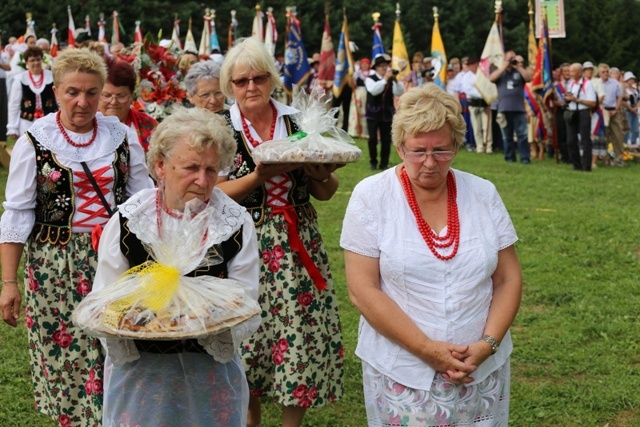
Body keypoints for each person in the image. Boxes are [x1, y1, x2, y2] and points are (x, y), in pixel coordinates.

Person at [340, 84, 522, 426]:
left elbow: (507, 278)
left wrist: (486, 345)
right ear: (398, 147)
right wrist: (427, 349)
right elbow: (362, 290)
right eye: (417, 151)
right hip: (404, 371)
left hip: (479, 370)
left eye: (441, 151)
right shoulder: (372, 196)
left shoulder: (483, 193)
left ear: (456, 146)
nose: (429, 163)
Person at [0, 48, 152, 425]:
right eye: (72, 92)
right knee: (64, 356)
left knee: (118, 353)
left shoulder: (122, 136)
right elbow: (17, 213)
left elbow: (142, 201)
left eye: (91, 92)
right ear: (55, 90)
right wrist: (8, 282)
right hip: (54, 266)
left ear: (102, 91)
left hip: (114, 260)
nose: (82, 102)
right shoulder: (34, 141)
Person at [92, 106, 261, 426]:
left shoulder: (234, 224)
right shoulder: (130, 221)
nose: (202, 179)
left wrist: (198, 315)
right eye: (191, 167)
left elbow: (245, 298)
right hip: (141, 375)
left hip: (208, 374)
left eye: (212, 170)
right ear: (160, 165)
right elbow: (106, 300)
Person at [216, 37, 344, 427]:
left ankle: (291, 424)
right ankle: (250, 418)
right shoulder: (221, 128)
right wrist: (258, 176)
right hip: (241, 242)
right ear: (230, 86)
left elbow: (325, 191)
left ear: (272, 79)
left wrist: (321, 175)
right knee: (244, 333)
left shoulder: (298, 121)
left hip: (295, 238)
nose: (251, 87)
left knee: (298, 330)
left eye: (258, 78)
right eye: (241, 81)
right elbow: (213, 193)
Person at [99, 57, 158, 152]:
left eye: (121, 96)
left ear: (131, 96)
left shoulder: (149, 126)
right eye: (107, 95)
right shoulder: (85, 124)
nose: (113, 102)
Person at [6, 46, 58, 140]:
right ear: (26, 62)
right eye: (32, 60)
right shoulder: (20, 79)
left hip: (50, 123)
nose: (36, 63)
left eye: (38, 59)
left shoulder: (51, 77)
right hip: (26, 123)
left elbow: (59, 101)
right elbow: (14, 104)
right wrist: (12, 127)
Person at [490, 51, 532, 163]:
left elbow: (528, 78)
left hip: (519, 109)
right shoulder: (501, 72)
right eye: (509, 59)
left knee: (522, 135)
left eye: (513, 58)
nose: (511, 61)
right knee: (506, 136)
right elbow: (491, 78)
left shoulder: (519, 71)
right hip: (504, 108)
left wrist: (518, 66)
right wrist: (504, 66)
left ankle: (525, 158)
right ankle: (509, 158)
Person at [365, 52, 404, 170]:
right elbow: (374, 91)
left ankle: (384, 163)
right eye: (381, 66)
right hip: (373, 113)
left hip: (386, 113)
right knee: (372, 139)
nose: (384, 68)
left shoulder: (390, 80)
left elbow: (399, 92)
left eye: (385, 66)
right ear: (376, 68)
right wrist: (385, 79)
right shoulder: (370, 79)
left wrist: (395, 80)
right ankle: (373, 161)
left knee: (386, 140)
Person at [564, 63, 597, 171]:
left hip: (583, 113)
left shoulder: (588, 84)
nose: (570, 73)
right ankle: (576, 164)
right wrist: (567, 98)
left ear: (579, 72)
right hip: (572, 113)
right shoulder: (571, 84)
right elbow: (570, 97)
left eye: (572, 71)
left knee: (585, 140)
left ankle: (586, 166)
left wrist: (577, 100)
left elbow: (593, 103)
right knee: (570, 140)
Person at [348, 58, 371, 139]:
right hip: (357, 93)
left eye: (366, 64)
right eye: (363, 64)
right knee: (355, 111)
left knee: (365, 111)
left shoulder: (371, 73)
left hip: (367, 94)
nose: (364, 65)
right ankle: (354, 131)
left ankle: (364, 132)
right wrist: (351, 79)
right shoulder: (357, 73)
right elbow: (352, 85)